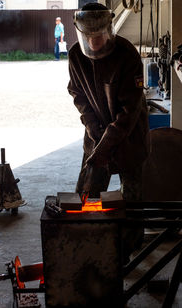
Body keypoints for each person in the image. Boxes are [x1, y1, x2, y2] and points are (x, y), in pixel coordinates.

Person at [67, 3, 150, 260]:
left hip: (129, 136)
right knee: (86, 194)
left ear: (109, 30)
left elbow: (129, 111)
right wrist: (94, 132)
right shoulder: (75, 56)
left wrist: (105, 145)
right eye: (88, 37)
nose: (94, 42)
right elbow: (78, 94)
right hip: (96, 134)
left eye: (99, 36)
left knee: (132, 200)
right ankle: (88, 242)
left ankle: (127, 249)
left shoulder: (127, 55)